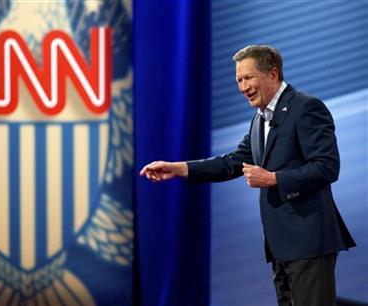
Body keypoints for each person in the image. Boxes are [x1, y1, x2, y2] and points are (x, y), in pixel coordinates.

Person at [139, 45, 356, 306]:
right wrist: (179, 168)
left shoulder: (305, 107)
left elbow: (327, 167)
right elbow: (231, 162)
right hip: (280, 245)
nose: (243, 87)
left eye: (248, 78)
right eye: (239, 80)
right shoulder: (259, 120)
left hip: (309, 240)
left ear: (273, 74)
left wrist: (273, 179)